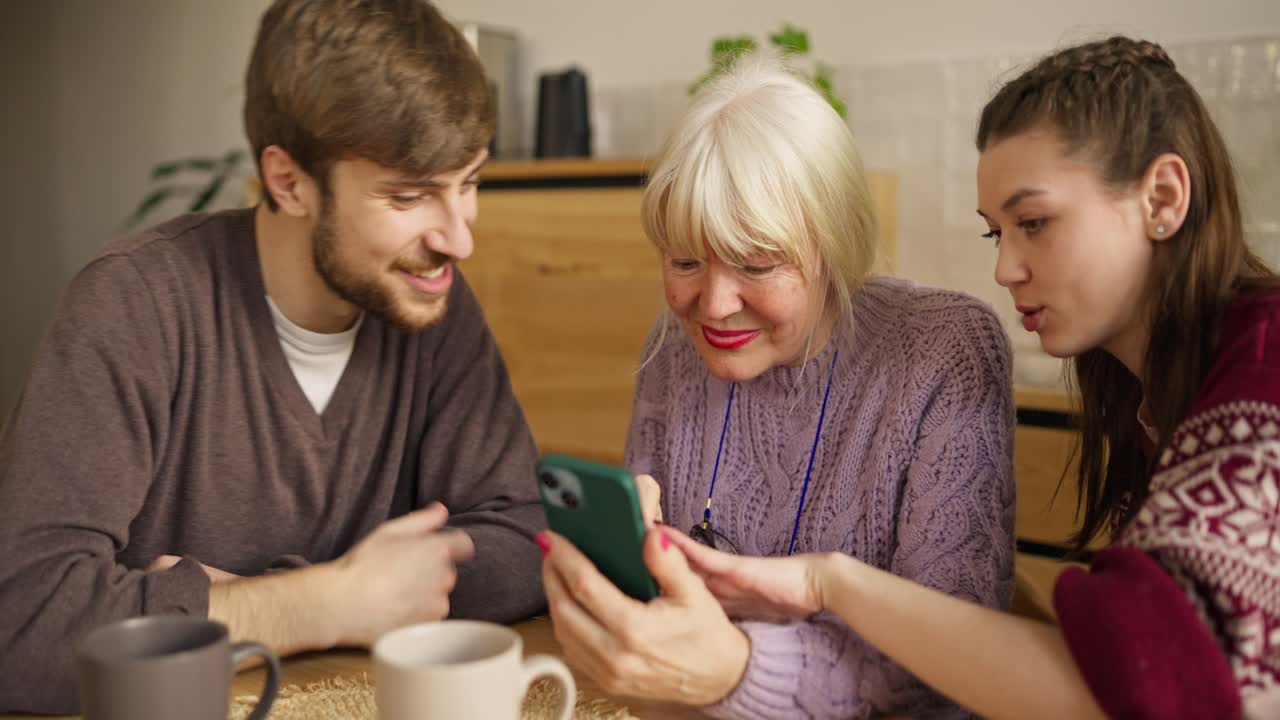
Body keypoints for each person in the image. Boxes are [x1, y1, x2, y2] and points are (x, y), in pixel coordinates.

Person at [656, 36, 1280, 720]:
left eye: (1035, 223)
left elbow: (1141, 684)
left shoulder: (1262, 375)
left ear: (1163, 196)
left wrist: (824, 583)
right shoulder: (1148, 392)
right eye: (997, 234)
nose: (1005, 269)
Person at [0, 0, 546, 713]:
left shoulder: (431, 299)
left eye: (468, 183)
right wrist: (319, 605)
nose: (458, 239)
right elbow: (24, 622)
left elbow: (525, 534)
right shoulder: (133, 302)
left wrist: (255, 602)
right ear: (289, 182)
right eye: (409, 196)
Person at [538, 56, 1017, 718]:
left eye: (757, 264)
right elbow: (659, 624)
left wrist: (737, 669)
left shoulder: (942, 354)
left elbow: (954, 670)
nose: (714, 305)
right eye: (684, 261)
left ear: (834, 246)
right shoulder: (672, 350)